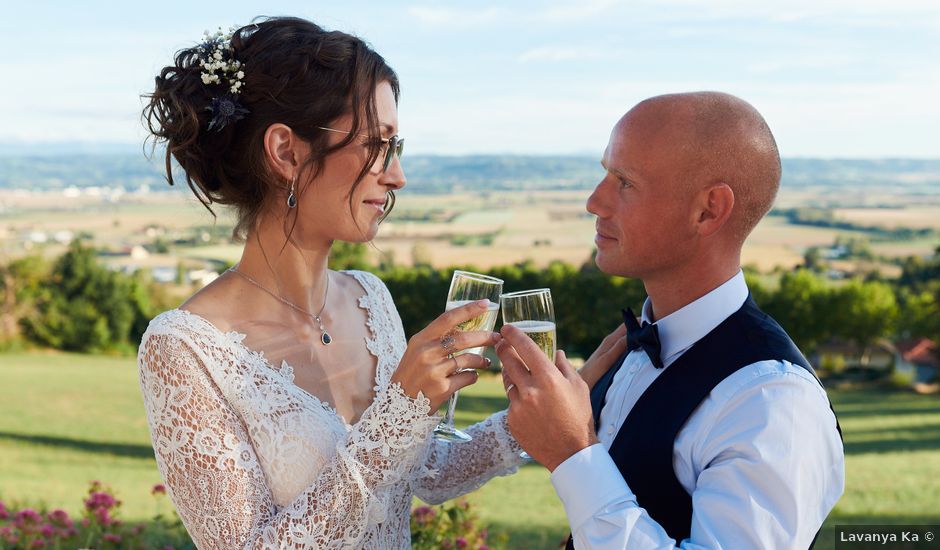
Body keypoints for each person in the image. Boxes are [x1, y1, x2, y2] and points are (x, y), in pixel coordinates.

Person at [137, 17, 530, 549]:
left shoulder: (371, 298)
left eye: (397, 147)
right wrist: (397, 414)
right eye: (377, 144)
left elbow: (424, 470)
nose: (396, 176)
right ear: (286, 152)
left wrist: (538, 412)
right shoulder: (184, 348)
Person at [497, 92, 845, 549]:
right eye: (606, 174)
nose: (594, 201)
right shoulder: (632, 349)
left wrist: (573, 455)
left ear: (708, 210)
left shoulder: (772, 403)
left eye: (624, 182)